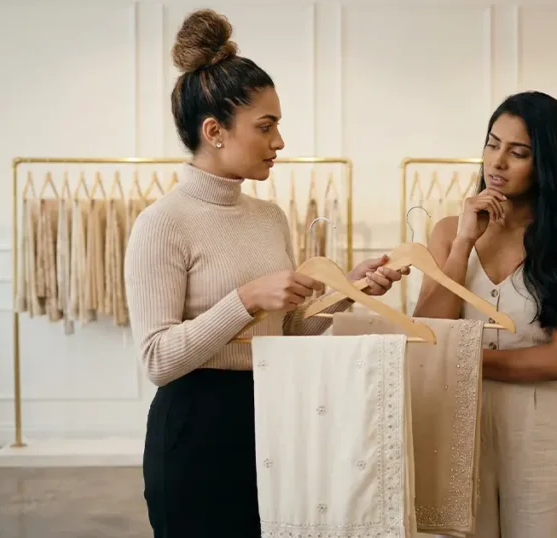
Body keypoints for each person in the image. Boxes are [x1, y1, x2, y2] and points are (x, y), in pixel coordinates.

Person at [123, 9, 409, 537]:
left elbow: (290, 331)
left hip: (275, 418)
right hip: (194, 430)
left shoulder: (269, 217)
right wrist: (246, 299)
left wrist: (351, 291)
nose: (279, 142)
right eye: (266, 126)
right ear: (214, 131)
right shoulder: (162, 224)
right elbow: (158, 360)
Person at [412, 91, 557, 537]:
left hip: (544, 427)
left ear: (547, 163)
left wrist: (457, 358)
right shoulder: (446, 232)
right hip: (457, 420)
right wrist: (463, 244)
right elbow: (426, 331)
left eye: (518, 153)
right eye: (492, 144)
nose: (497, 162)